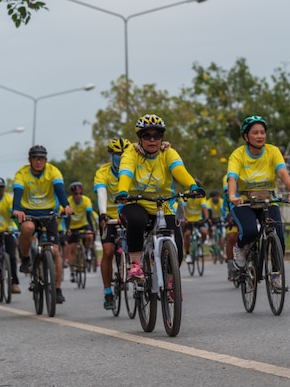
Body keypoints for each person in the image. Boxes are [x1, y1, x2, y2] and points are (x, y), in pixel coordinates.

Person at [115, 114, 204, 280]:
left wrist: (192, 186)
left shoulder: (168, 152)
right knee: (137, 220)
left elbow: (179, 170)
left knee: (177, 245)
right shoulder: (131, 153)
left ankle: (171, 283)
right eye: (146, 135)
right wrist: (122, 191)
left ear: (162, 137)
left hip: (163, 204)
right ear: (139, 138)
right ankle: (135, 265)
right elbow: (125, 172)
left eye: (157, 135)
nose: (152, 139)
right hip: (136, 202)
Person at [227, 115, 290, 290]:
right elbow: (232, 177)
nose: (260, 136)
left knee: (279, 237)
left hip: (267, 198)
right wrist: (232, 196)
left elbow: (282, 173)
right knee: (251, 231)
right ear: (246, 136)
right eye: (255, 133)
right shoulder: (237, 154)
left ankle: (276, 274)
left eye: (262, 132)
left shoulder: (273, 151)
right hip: (243, 200)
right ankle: (240, 246)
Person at [12, 145, 73, 304]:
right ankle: (26, 258)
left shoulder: (53, 171)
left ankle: (57, 289)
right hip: (29, 212)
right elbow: (18, 192)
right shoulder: (22, 174)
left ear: (46, 160)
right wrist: (17, 209)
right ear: (29, 160)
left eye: (42, 159)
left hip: (49, 213)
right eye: (35, 158)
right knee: (27, 228)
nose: (38, 162)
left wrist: (66, 205)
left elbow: (60, 190)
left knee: (55, 251)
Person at [95, 137, 131, 310]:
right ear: (111, 155)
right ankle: (108, 290)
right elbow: (101, 192)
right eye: (118, 153)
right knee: (108, 252)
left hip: (129, 213)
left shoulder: (134, 168)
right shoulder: (102, 172)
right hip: (109, 216)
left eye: (124, 153)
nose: (122, 156)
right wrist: (102, 213)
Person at [0, 177, 21, 294]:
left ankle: (14, 283)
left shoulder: (8, 199)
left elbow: (15, 214)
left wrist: (19, 227)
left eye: (2, 187)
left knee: (12, 256)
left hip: (6, 229)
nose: (0, 190)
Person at [65, 181, 95, 284]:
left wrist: (90, 228)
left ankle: (87, 251)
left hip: (83, 224)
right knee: (72, 249)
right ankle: (72, 271)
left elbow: (88, 216)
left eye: (80, 194)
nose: (78, 196)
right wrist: (68, 229)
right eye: (75, 194)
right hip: (72, 226)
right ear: (72, 194)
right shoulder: (68, 202)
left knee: (89, 236)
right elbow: (67, 218)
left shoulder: (86, 200)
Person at [182, 177, 209, 264]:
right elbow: (183, 208)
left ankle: (199, 246)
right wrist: (185, 218)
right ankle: (188, 254)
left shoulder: (201, 196)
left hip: (198, 219)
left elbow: (204, 207)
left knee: (204, 232)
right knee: (187, 235)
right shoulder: (186, 195)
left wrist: (206, 218)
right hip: (188, 220)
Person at [204, 189, 225, 254]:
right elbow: (208, 211)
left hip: (219, 218)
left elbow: (223, 210)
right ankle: (210, 238)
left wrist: (223, 218)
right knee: (210, 227)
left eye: (217, 196)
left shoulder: (221, 201)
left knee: (221, 235)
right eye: (214, 197)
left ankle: (222, 250)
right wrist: (209, 220)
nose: (216, 198)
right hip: (212, 218)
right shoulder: (208, 202)